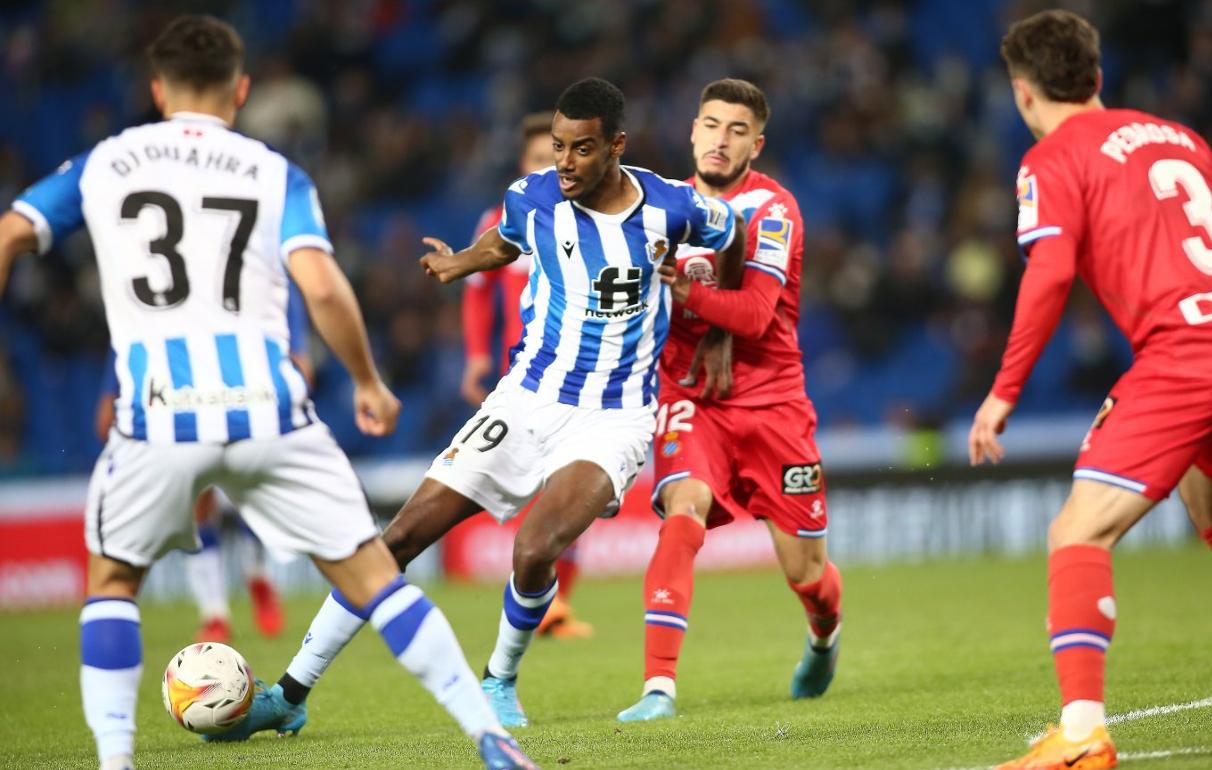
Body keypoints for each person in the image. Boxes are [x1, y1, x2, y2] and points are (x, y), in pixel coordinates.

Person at [0, 15, 534, 770]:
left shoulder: (103, 163)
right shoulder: (272, 171)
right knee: (374, 577)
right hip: (268, 405)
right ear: (241, 90)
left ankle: (114, 762)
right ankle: (490, 737)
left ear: (156, 89)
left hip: (157, 411)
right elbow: (319, 283)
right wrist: (367, 381)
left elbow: (10, 235)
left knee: (114, 581)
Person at [236, 76, 744, 733]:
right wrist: (462, 264)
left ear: (616, 146)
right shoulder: (532, 198)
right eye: (557, 146)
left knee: (535, 549)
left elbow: (728, 237)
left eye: (582, 149)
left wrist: (720, 331)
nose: (563, 162)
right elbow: (506, 239)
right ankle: (290, 695)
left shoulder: (673, 207)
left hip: (613, 415)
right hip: (526, 398)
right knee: (399, 538)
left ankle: (498, 681)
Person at [967, 10, 1212, 769]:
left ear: (1024, 95)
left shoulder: (1051, 160)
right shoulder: (1176, 135)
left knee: (1077, 533)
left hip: (1188, 355)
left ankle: (1083, 732)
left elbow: (1051, 273)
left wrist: (1002, 392)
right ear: (1095, 77)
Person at [615, 79, 842, 722]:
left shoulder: (773, 210)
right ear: (692, 132)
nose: (721, 138)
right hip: (690, 398)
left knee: (806, 573)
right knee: (682, 511)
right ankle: (658, 687)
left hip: (773, 404)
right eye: (711, 124)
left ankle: (825, 633)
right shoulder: (661, 205)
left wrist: (684, 295)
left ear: (756, 143)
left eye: (737, 130)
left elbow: (755, 314)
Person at [93, 283, 310, 643]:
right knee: (196, 503)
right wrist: (113, 391)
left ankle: (257, 575)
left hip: (248, 394)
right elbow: (130, 341)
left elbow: (299, 358)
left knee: (250, 494)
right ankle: (215, 613)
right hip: (183, 398)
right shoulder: (152, 291)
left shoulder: (269, 279)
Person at [461, 112, 591, 640]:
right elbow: (476, 295)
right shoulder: (503, 219)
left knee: (573, 487)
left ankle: (557, 604)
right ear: (523, 165)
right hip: (523, 375)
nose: (553, 167)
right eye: (540, 158)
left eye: (559, 156)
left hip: (582, 374)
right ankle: (541, 601)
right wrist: (475, 358)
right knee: (541, 485)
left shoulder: (593, 219)